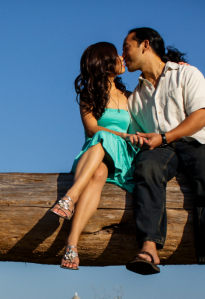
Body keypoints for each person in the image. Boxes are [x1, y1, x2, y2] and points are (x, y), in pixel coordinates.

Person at [122, 27, 205, 299]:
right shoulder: (135, 96)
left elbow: (200, 117)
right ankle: (149, 248)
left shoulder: (187, 73)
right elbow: (136, 131)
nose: (122, 54)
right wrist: (142, 139)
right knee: (146, 168)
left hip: (197, 141)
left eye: (126, 46)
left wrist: (164, 136)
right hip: (161, 149)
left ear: (145, 46)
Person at [49, 42, 144, 270]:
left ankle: (70, 198)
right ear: (105, 62)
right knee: (99, 169)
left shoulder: (130, 96)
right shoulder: (89, 95)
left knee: (103, 139)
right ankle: (72, 245)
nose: (122, 58)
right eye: (116, 55)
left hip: (123, 157)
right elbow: (91, 128)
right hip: (93, 159)